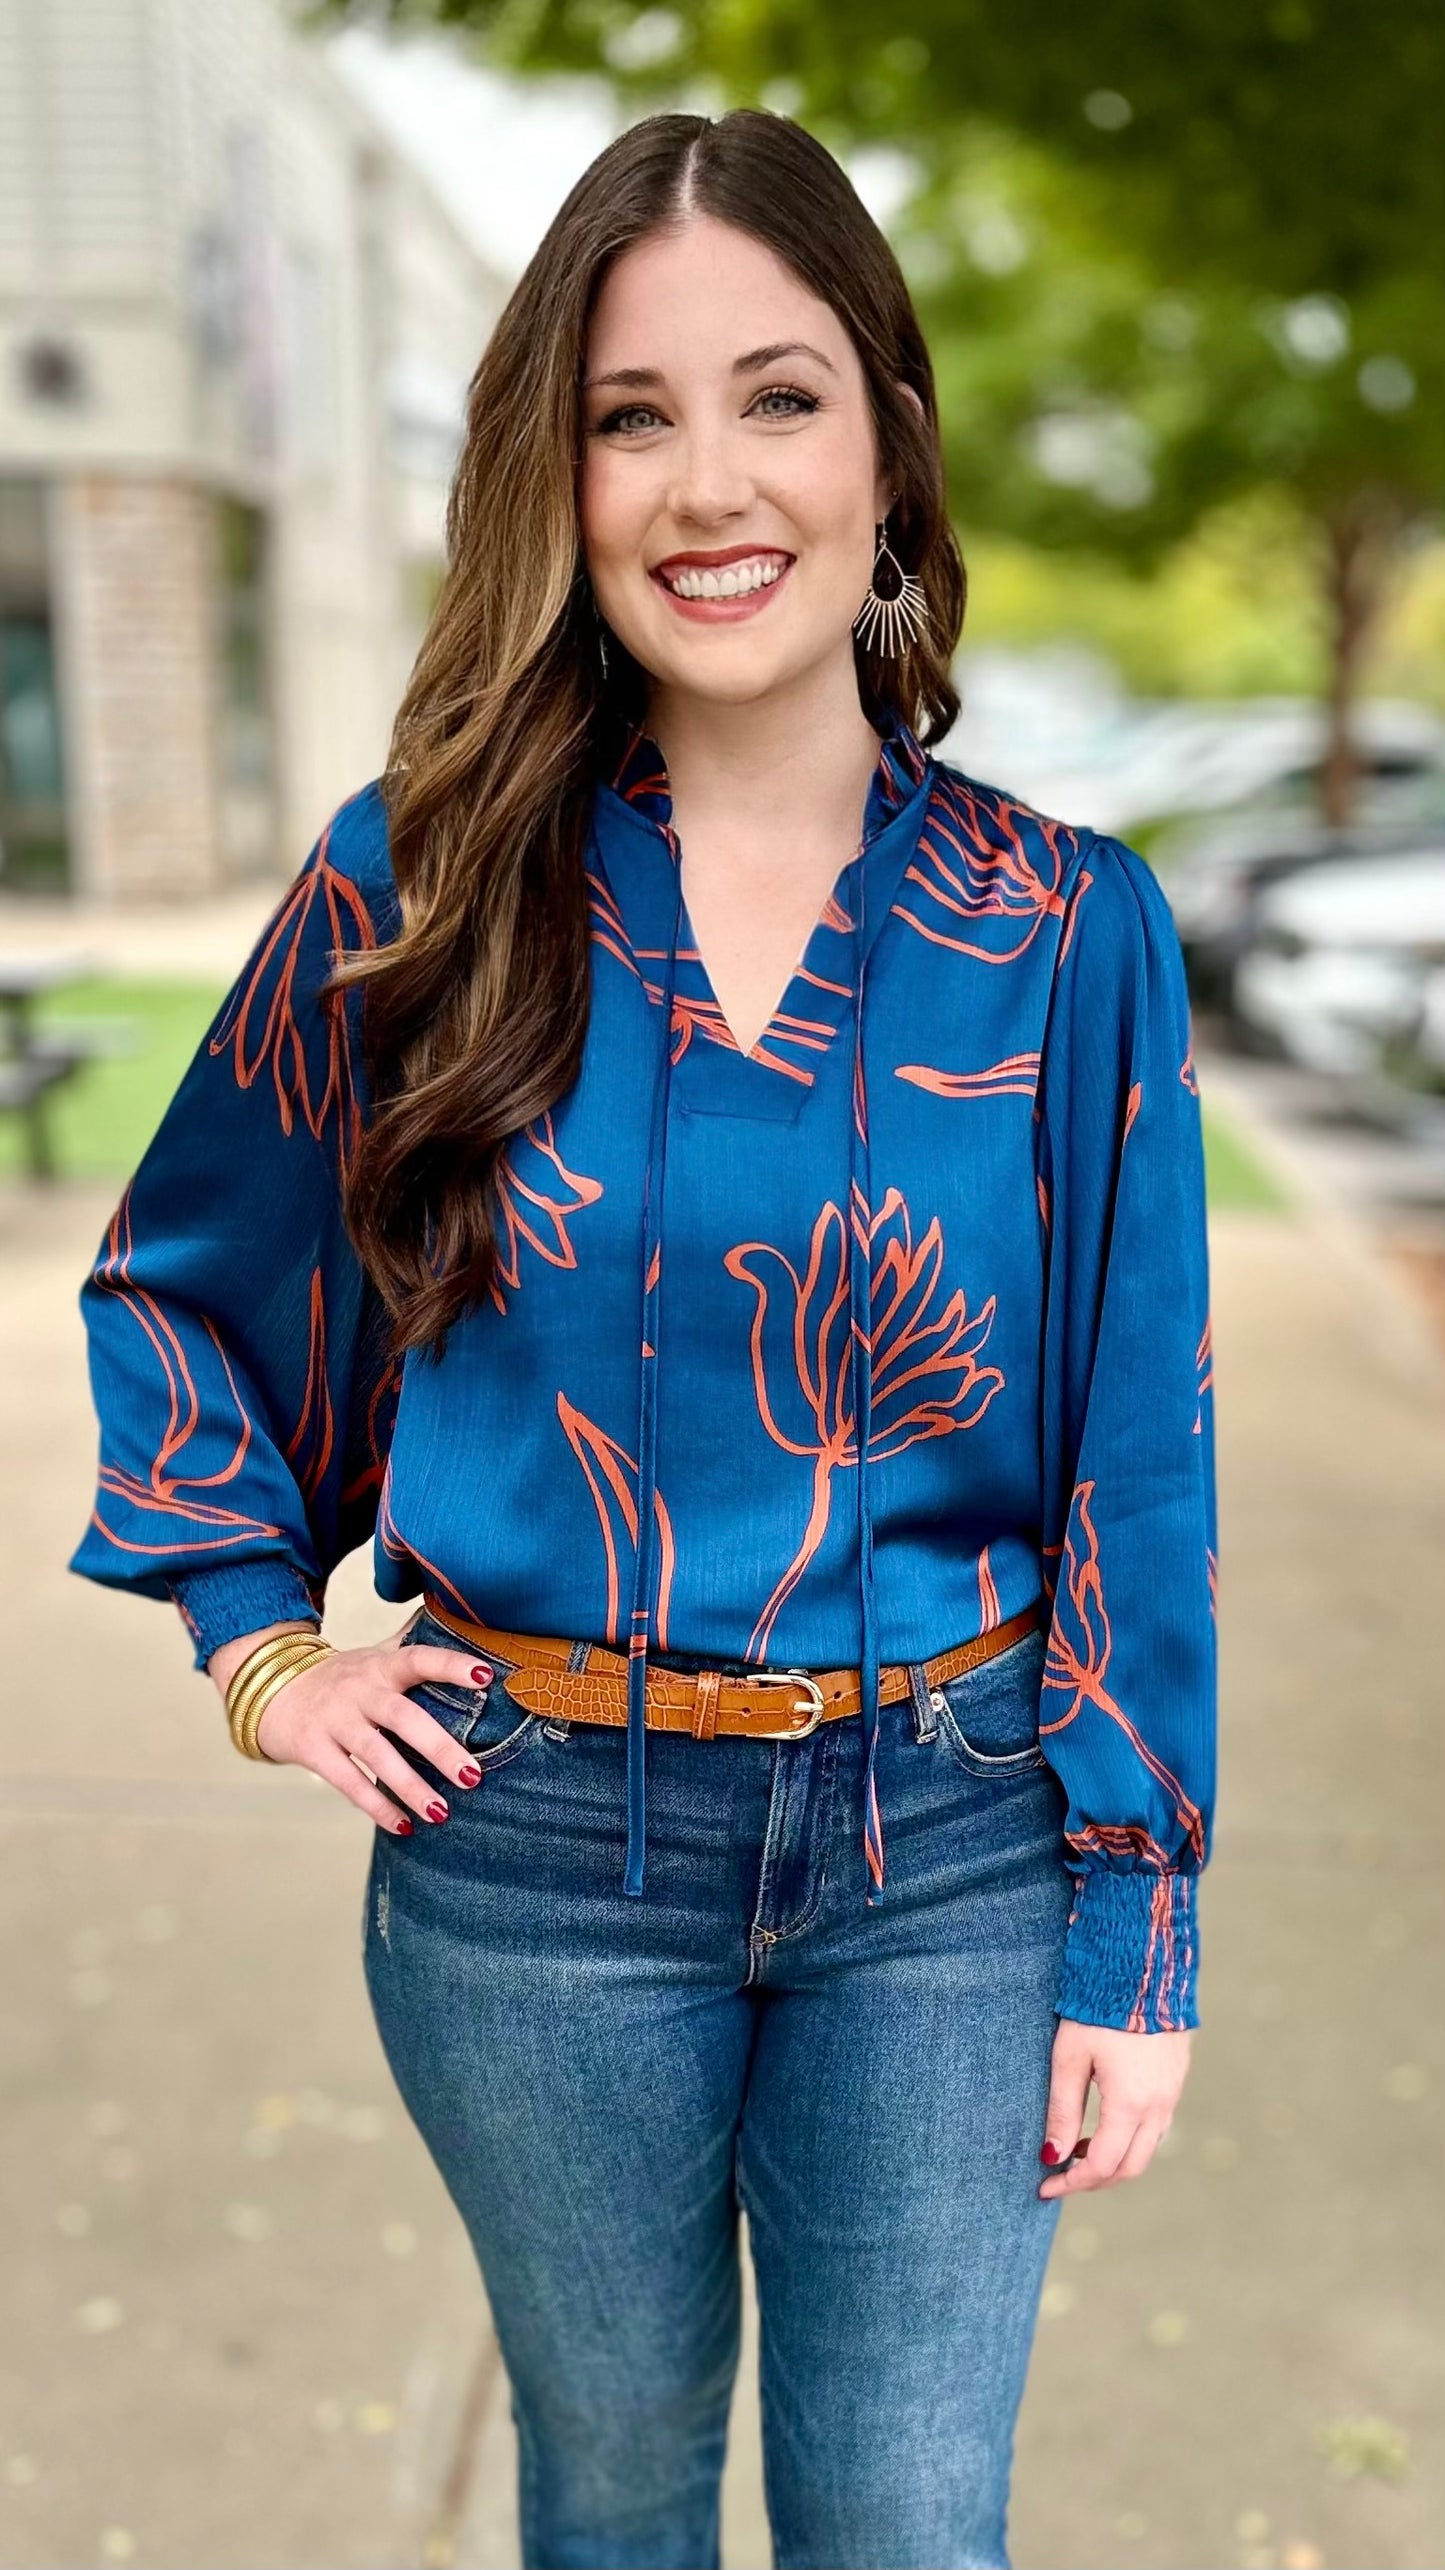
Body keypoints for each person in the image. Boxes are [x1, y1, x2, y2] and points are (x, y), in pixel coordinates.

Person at [71, 108, 1217, 2570]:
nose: (710, 482)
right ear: (560, 476)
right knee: (609, 2488)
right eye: (632, 414)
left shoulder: (1067, 930)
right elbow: (188, 1287)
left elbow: (1142, 1450)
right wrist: (261, 1649)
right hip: (531, 1872)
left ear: (888, 442)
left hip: (955, 1851)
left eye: (778, 396)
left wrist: (1141, 1915)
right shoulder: (419, 883)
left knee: (905, 2520)